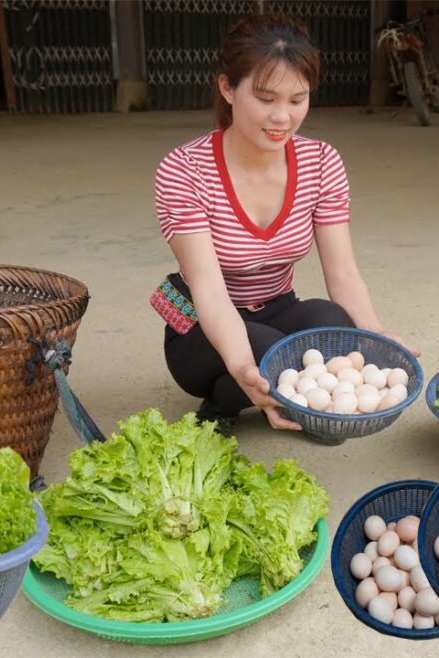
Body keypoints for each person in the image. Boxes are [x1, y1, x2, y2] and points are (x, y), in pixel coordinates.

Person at [154, 13, 417, 434]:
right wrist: (245, 367)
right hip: (200, 324)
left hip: (277, 308)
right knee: (267, 352)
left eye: (297, 100)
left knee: (335, 323)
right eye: (266, 99)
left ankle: (288, 394)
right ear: (227, 88)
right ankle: (224, 401)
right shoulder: (185, 169)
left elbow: (343, 273)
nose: (282, 117)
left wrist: (377, 337)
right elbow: (209, 289)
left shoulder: (321, 162)